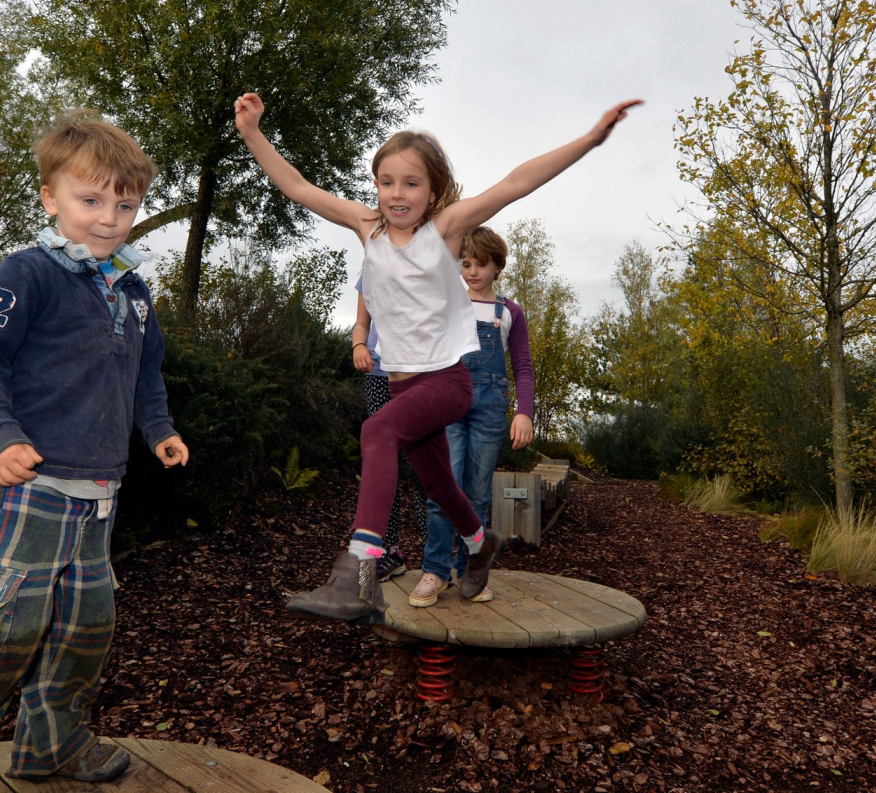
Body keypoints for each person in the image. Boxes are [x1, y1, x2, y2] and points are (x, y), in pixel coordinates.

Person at [235, 91, 641, 624]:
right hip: (404, 386)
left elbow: (516, 183)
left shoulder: (443, 232)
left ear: (433, 191)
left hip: (446, 383)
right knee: (438, 484)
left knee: (376, 432)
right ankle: (479, 543)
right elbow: (298, 186)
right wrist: (252, 134)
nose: (397, 194)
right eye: (387, 182)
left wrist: (590, 139)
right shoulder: (366, 228)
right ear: (375, 184)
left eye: (411, 184)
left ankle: (358, 569)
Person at [0, 111, 189, 792]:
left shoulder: (134, 293)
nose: (109, 217)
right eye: (91, 199)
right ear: (50, 197)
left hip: (100, 494)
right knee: (1, 633)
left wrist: (159, 429)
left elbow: (146, 377)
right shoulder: (26, 273)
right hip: (32, 489)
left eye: (125, 204)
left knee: (85, 628)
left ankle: (49, 746)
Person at [411, 228, 535, 608]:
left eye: (481, 264)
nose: (472, 271)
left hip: (490, 408)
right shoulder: (450, 305)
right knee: (443, 489)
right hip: (449, 403)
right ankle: (434, 570)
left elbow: (523, 366)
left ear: (497, 266)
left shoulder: (510, 313)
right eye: (465, 264)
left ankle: (472, 571)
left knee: (477, 495)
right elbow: (430, 355)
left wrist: (524, 412)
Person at [350, 285, 418, 582]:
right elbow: (362, 322)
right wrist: (359, 346)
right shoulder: (370, 269)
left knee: (423, 467)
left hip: (419, 376)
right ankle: (388, 552)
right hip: (379, 377)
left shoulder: (422, 256)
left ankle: (438, 559)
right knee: (382, 467)